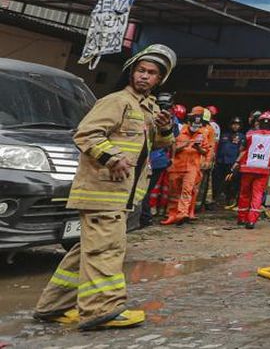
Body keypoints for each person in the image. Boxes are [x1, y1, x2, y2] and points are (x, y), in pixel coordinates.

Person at [32, 44, 176, 331]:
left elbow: (158, 145)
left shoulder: (147, 108)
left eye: (152, 73)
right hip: (103, 193)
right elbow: (86, 134)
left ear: (160, 80)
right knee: (106, 251)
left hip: (120, 195)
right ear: (132, 71)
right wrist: (111, 158)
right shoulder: (117, 101)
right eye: (141, 70)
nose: (145, 77)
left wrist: (164, 128)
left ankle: (53, 307)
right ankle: (101, 310)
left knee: (86, 250)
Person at [163, 108, 212, 225]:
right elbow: (171, 148)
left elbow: (206, 151)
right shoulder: (179, 132)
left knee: (187, 191)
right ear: (188, 123)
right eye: (193, 125)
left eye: (198, 125)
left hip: (192, 168)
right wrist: (185, 145)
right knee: (173, 193)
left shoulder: (201, 134)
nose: (195, 127)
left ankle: (182, 213)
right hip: (177, 166)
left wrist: (198, 148)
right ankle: (172, 215)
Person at [234, 111, 270, 228]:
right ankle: (251, 220)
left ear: (258, 123)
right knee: (257, 195)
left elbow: (242, 148)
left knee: (244, 194)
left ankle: (241, 218)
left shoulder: (250, 135)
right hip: (263, 171)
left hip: (247, 169)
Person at [140, 104, 183, 227]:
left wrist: (172, 158)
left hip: (156, 160)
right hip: (155, 160)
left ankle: (146, 218)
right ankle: (147, 216)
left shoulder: (169, 121)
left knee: (145, 190)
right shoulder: (168, 120)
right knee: (147, 190)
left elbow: (172, 141)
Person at [195, 106, 221, 212]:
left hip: (203, 158)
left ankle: (199, 204)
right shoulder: (206, 127)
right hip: (200, 158)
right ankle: (200, 204)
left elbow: (212, 145)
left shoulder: (210, 128)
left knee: (202, 183)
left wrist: (209, 159)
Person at [214, 117, 244, 205]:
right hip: (221, 162)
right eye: (234, 124)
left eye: (237, 124)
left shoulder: (242, 137)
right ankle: (218, 199)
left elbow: (242, 151)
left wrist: (237, 162)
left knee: (232, 182)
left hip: (232, 163)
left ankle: (231, 199)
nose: (235, 126)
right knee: (219, 181)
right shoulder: (224, 135)